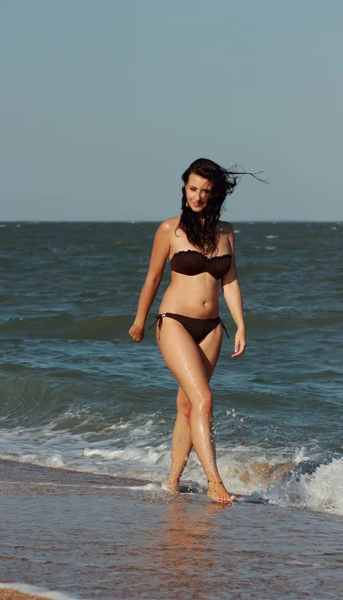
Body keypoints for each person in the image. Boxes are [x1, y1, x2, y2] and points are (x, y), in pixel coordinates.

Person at [129, 158, 265, 504]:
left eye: (205, 191)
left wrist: (240, 325)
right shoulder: (169, 230)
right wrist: (139, 320)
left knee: (189, 406)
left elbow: (230, 282)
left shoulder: (226, 232)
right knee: (204, 398)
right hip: (174, 320)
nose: (198, 197)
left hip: (212, 328)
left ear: (215, 193)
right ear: (184, 188)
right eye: (193, 189)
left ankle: (172, 481)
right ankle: (214, 482)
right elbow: (153, 278)